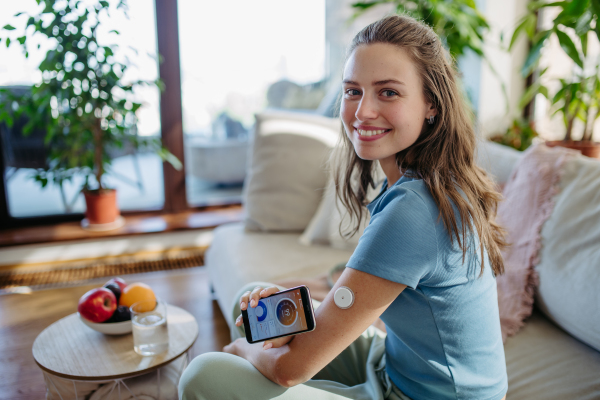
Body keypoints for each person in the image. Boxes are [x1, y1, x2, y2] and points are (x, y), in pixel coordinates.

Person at [179, 14, 508, 400]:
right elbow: (365, 286)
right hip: (394, 364)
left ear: (431, 105)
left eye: (388, 92)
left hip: (427, 395)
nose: (363, 111)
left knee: (205, 375)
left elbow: (289, 371)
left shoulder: (415, 210)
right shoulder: (428, 179)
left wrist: (243, 353)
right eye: (353, 91)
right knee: (253, 303)